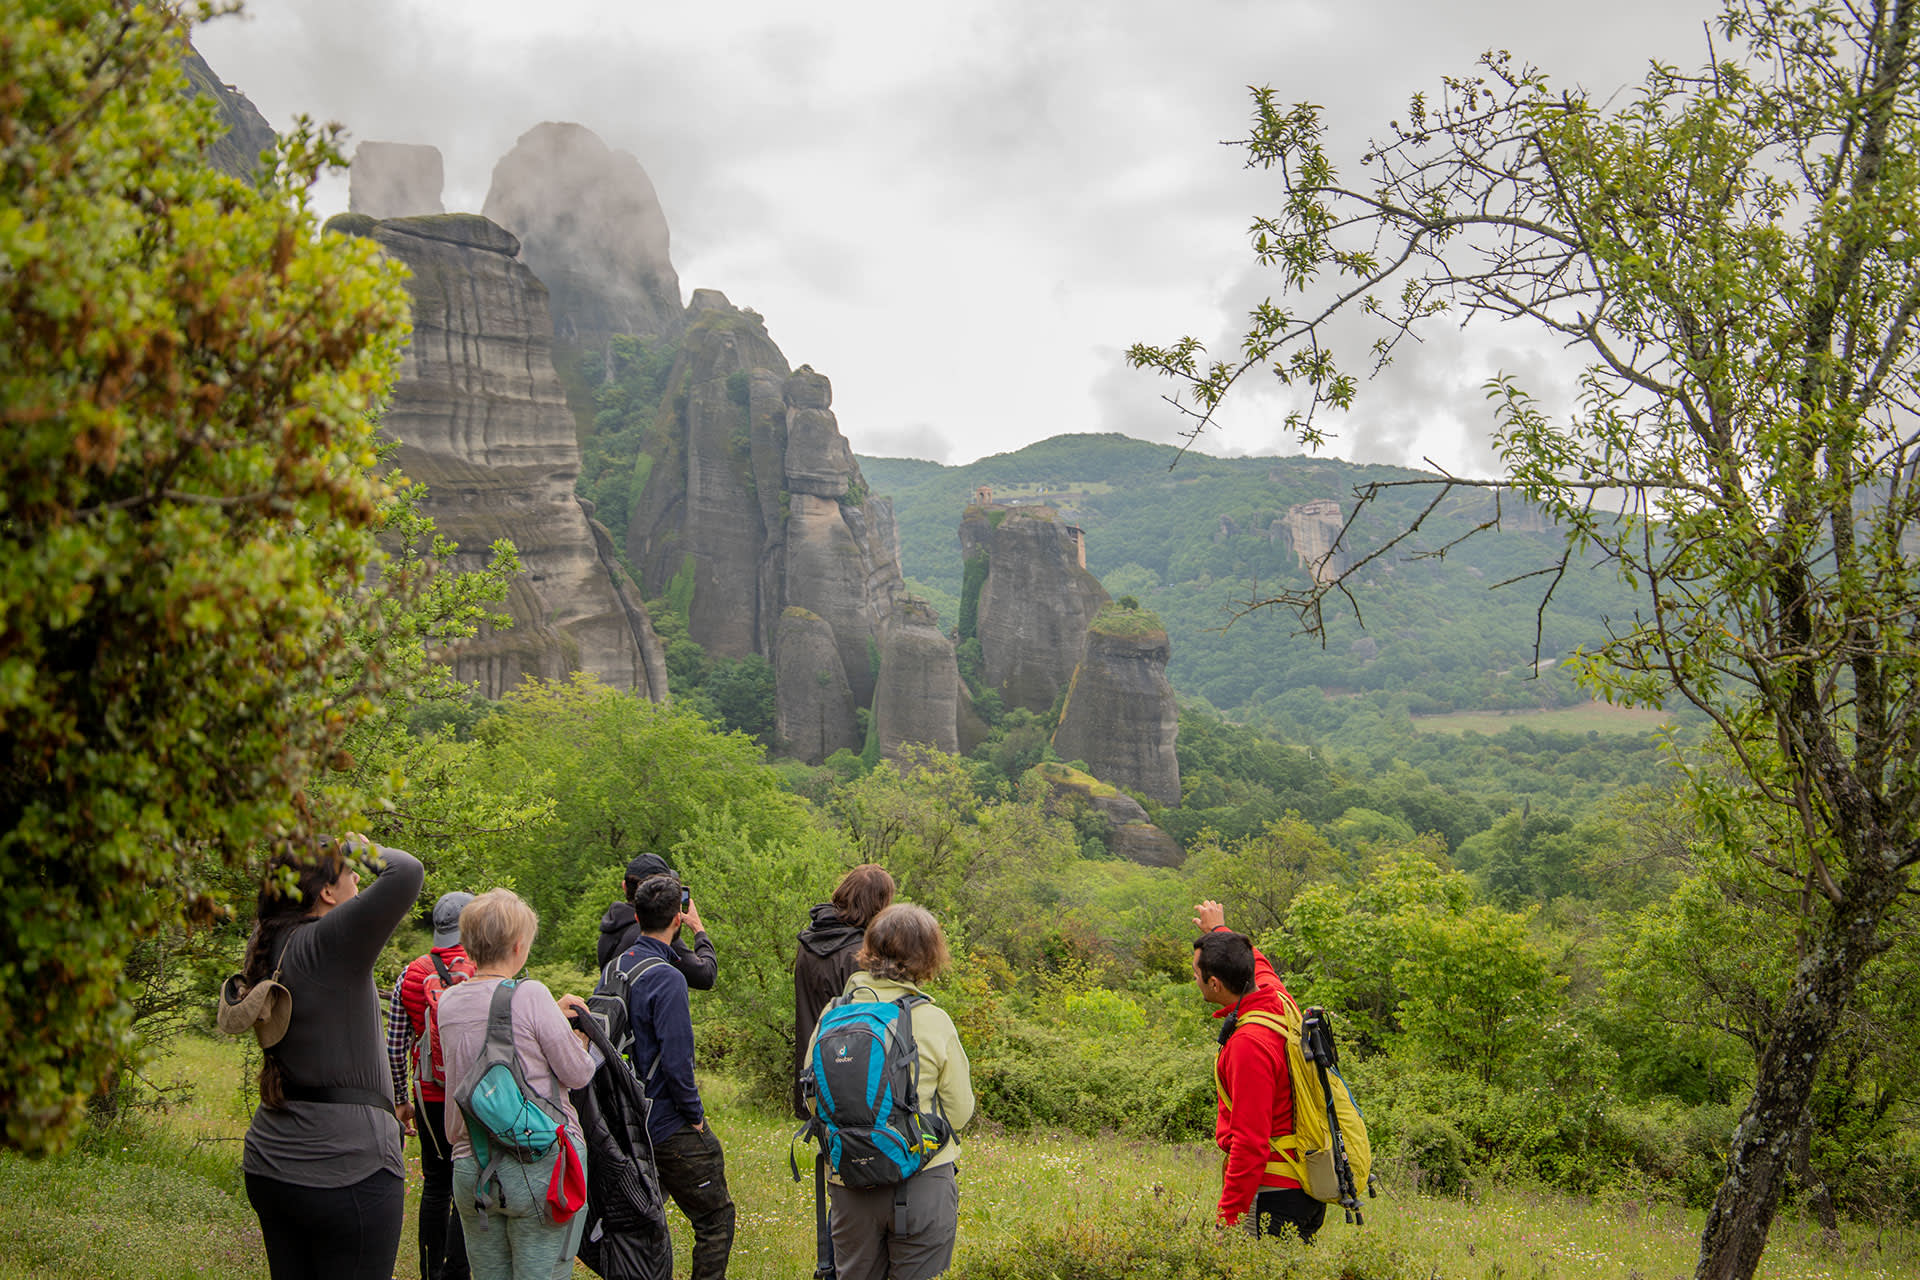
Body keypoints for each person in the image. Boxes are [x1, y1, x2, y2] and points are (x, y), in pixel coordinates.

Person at [236, 835, 425, 1280]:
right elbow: (407, 872)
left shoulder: (269, 941)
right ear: (325, 891)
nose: (358, 879)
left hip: (271, 1163)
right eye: (350, 873)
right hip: (347, 1169)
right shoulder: (329, 942)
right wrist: (353, 846)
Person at [436, 889, 597, 1280]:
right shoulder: (532, 994)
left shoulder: (448, 1003)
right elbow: (578, 1073)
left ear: (468, 944)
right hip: (539, 1163)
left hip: (472, 1163)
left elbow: (487, 1030)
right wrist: (578, 1037)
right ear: (518, 946)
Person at [809, 903, 975, 1280]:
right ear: (929, 957)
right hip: (922, 1180)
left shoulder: (833, 1015)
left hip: (849, 1180)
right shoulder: (933, 1020)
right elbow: (960, 1112)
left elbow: (814, 1098)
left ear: (869, 948)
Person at [612, 872, 736, 1280]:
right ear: (677, 920)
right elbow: (678, 1061)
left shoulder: (618, 966)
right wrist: (695, 1117)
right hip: (665, 1120)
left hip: (623, 1116)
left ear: (636, 916)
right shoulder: (667, 977)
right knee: (716, 1218)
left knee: (644, 1218)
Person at [1192, 899, 1324, 1243]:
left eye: (1196, 974)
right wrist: (1219, 930)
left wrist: (1228, 1219)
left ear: (1215, 984)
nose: (1194, 978)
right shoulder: (1277, 1000)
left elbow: (1250, 1143)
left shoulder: (1248, 1044)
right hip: (1300, 1188)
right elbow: (1259, 962)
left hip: (1272, 1194)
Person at [385, 890, 478, 1280]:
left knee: (436, 1184)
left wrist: (400, 1099)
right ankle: (456, 1273)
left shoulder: (411, 973)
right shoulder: (483, 968)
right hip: (475, 1097)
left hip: (428, 1095)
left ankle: (429, 1272)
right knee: (467, 1186)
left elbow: (395, 1045)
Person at [792, 864, 896, 1119]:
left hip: (811, 1065)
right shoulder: (859, 954)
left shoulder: (808, 942)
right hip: (849, 1075)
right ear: (878, 905)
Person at [597, 851, 717, 987]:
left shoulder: (610, 926)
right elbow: (706, 975)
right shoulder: (654, 931)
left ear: (624, 886)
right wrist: (697, 927)